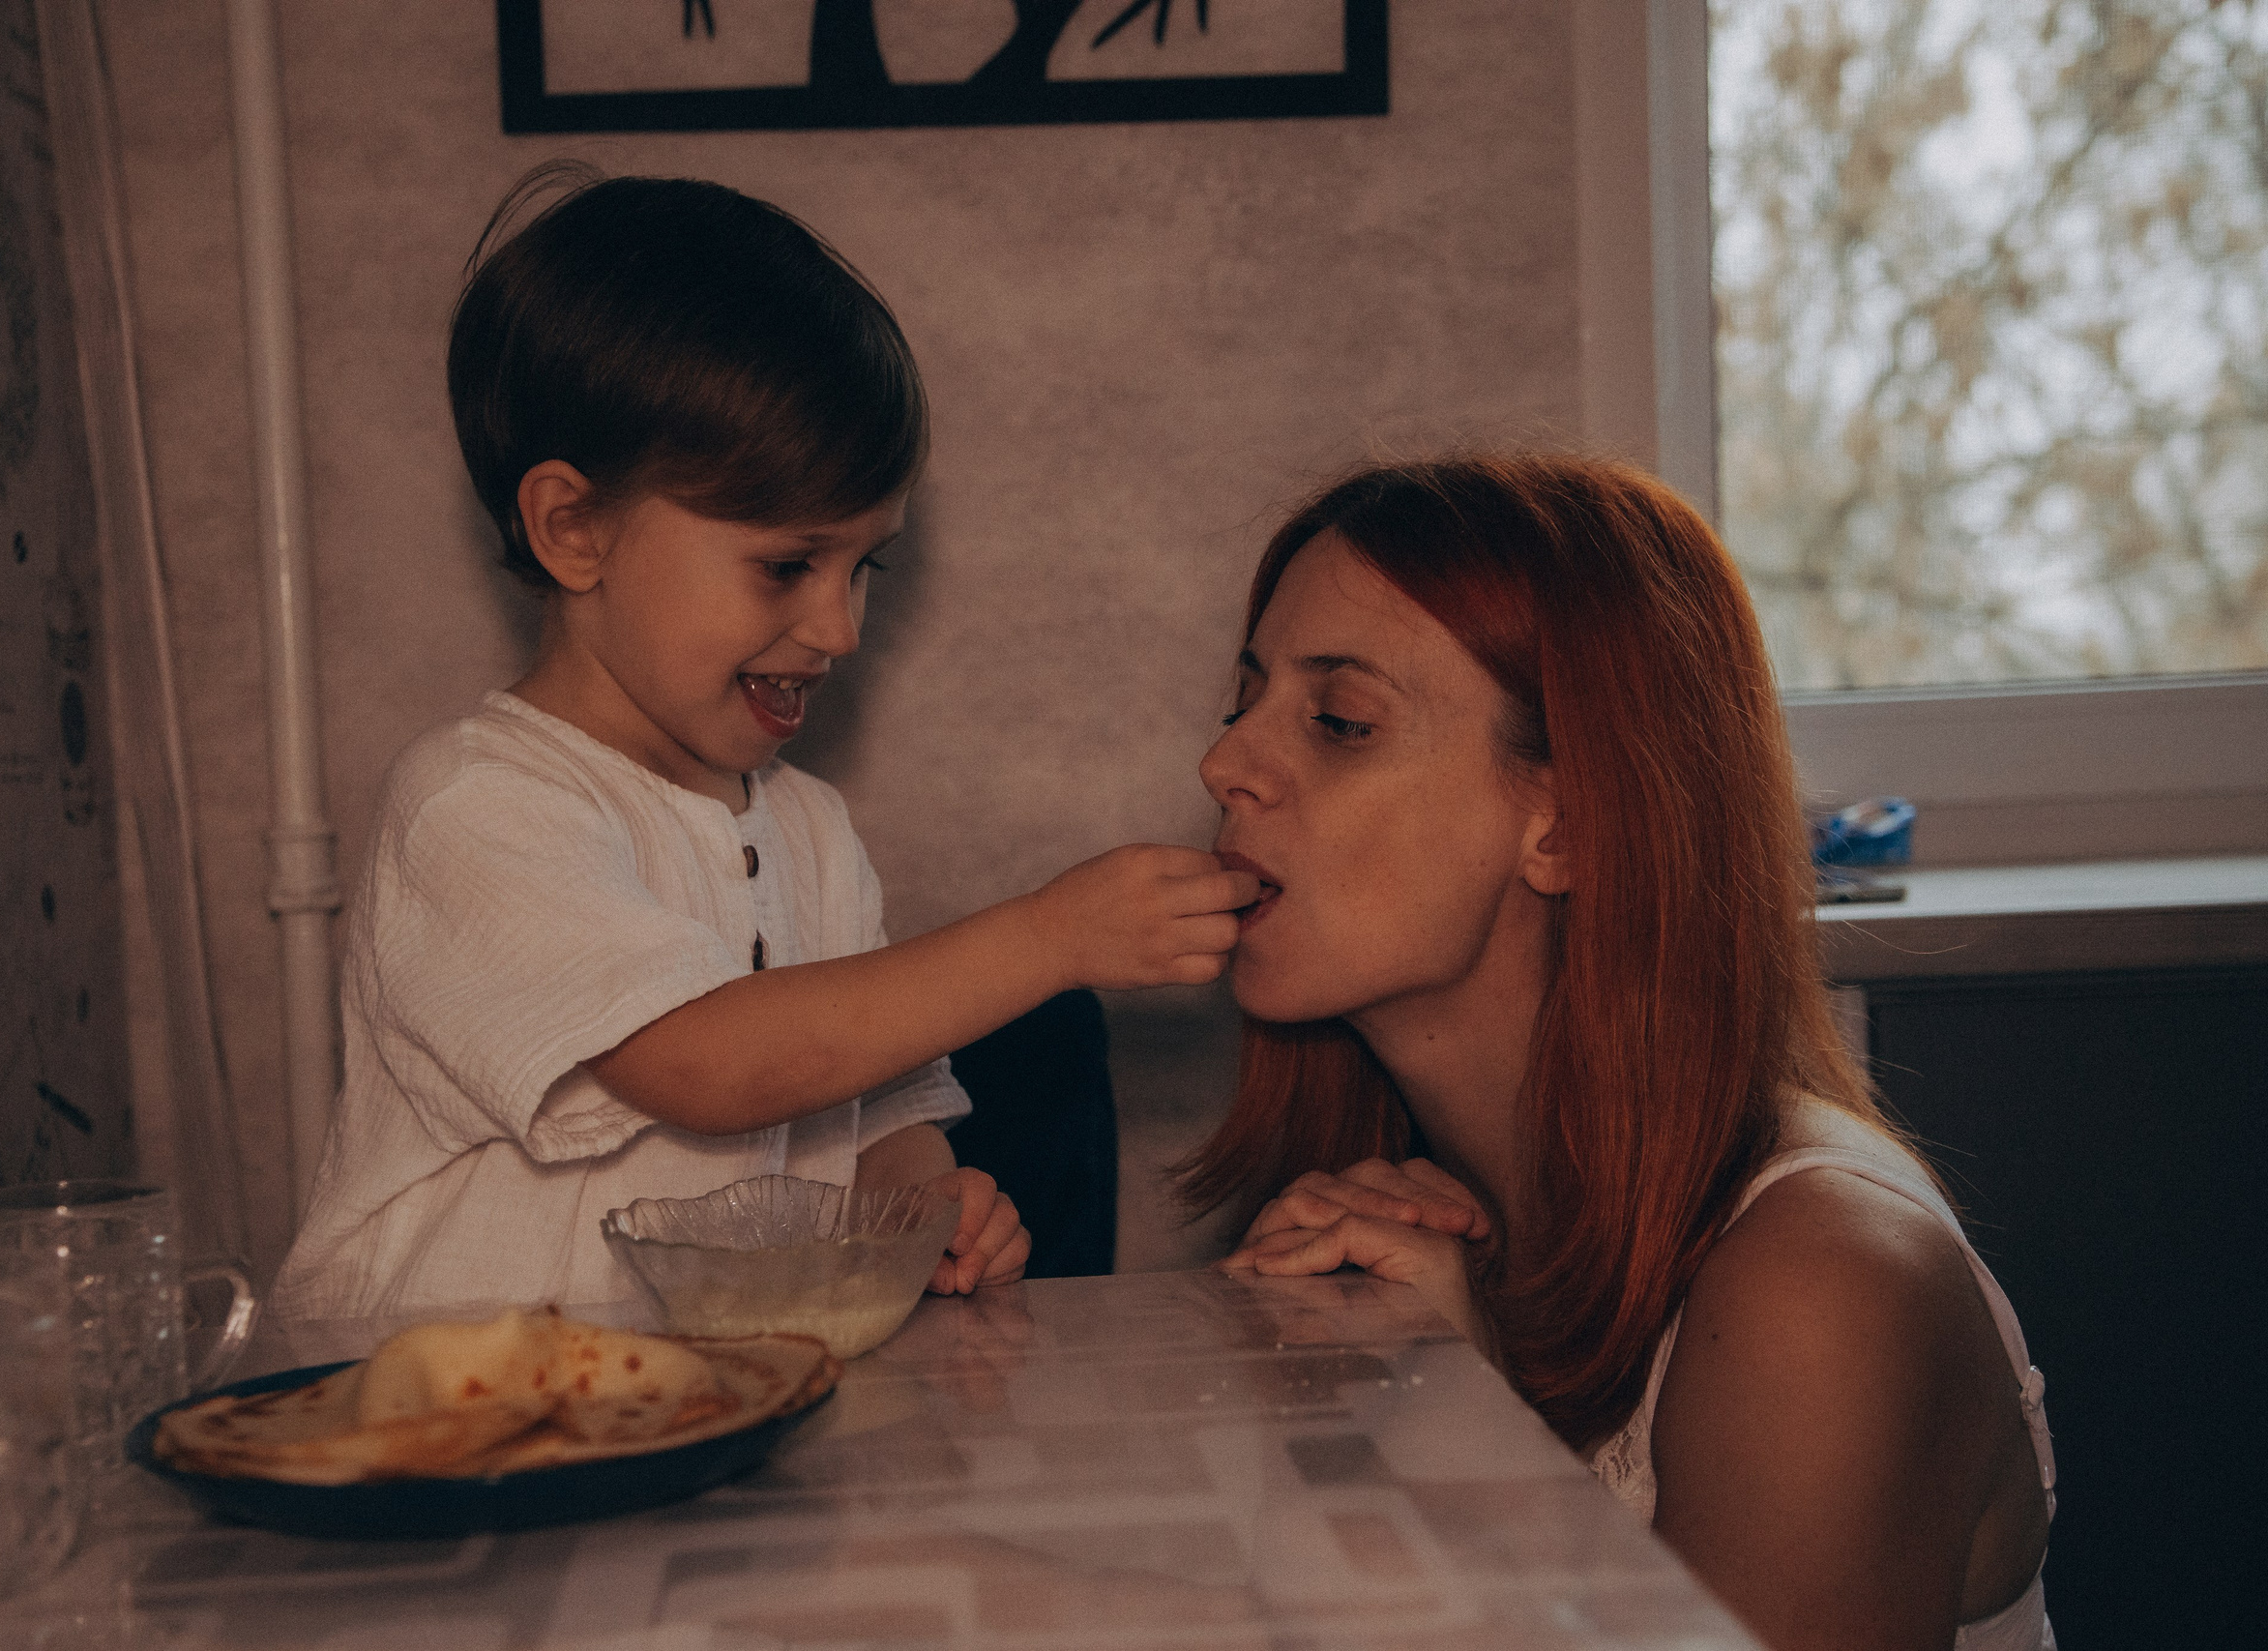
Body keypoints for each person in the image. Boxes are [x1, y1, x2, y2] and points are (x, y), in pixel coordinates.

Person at [272, 169, 1256, 1321]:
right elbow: (709, 1067)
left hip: (680, 1423)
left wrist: (926, 1207)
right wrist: (1050, 934)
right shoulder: (475, 806)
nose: (837, 628)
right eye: (788, 565)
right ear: (573, 529)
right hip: (428, 1432)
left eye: (864, 568)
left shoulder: (807, 828)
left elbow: (874, 1117)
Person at [1190, 456, 2055, 1651]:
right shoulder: (1393, 1201)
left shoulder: (1823, 1293)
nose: (1226, 762)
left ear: (1571, 825)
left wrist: (1474, 1440)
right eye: (1243, 700)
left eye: (1339, 721)